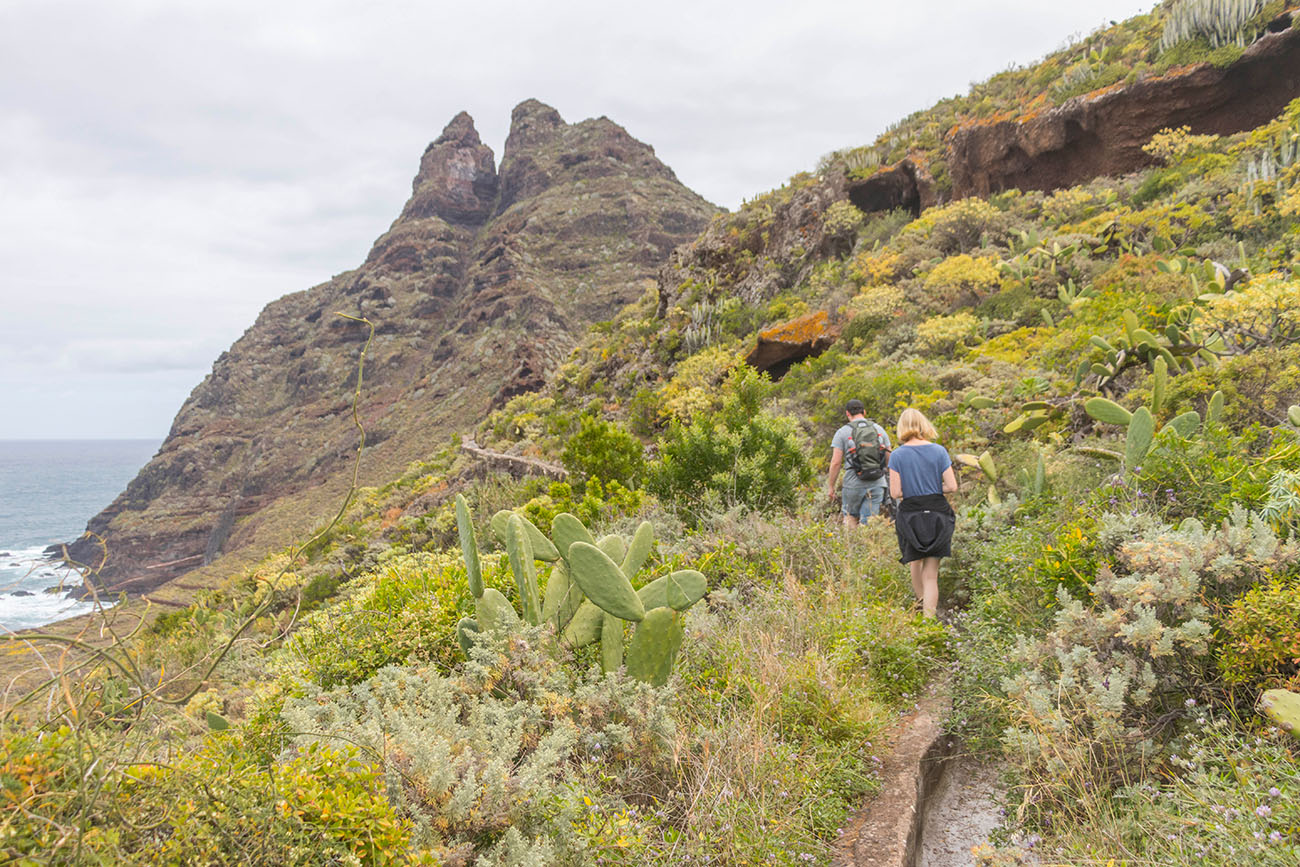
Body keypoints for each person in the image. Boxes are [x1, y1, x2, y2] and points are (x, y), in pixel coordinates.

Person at [888, 407, 957, 619]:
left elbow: (895, 492)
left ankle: (920, 608)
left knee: (914, 560)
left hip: (910, 514)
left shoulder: (897, 455)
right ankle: (930, 622)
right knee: (931, 575)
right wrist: (933, 488)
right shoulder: (939, 451)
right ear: (923, 425)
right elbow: (952, 486)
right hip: (937, 512)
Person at [826, 399, 892, 527]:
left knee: (851, 518)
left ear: (847, 413)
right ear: (864, 412)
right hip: (877, 482)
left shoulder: (842, 432)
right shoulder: (879, 429)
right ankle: (867, 544)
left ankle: (853, 546)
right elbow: (889, 457)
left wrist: (831, 486)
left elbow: (835, 462)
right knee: (869, 521)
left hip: (853, 483)